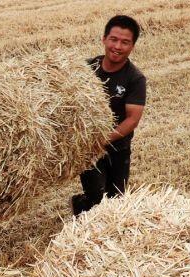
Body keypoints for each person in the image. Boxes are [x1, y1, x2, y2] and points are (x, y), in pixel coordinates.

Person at [72, 15, 147, 215]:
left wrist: (103, 139)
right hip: (89, 151)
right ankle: (81, 206)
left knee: (116, 200)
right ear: (104, 39)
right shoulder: (85, 70)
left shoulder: (135, 78)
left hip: (118, 148)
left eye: (125, 42)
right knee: (97, 199)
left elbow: (132, 119)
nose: (118, 46)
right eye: (114, 39)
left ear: (132, 46)